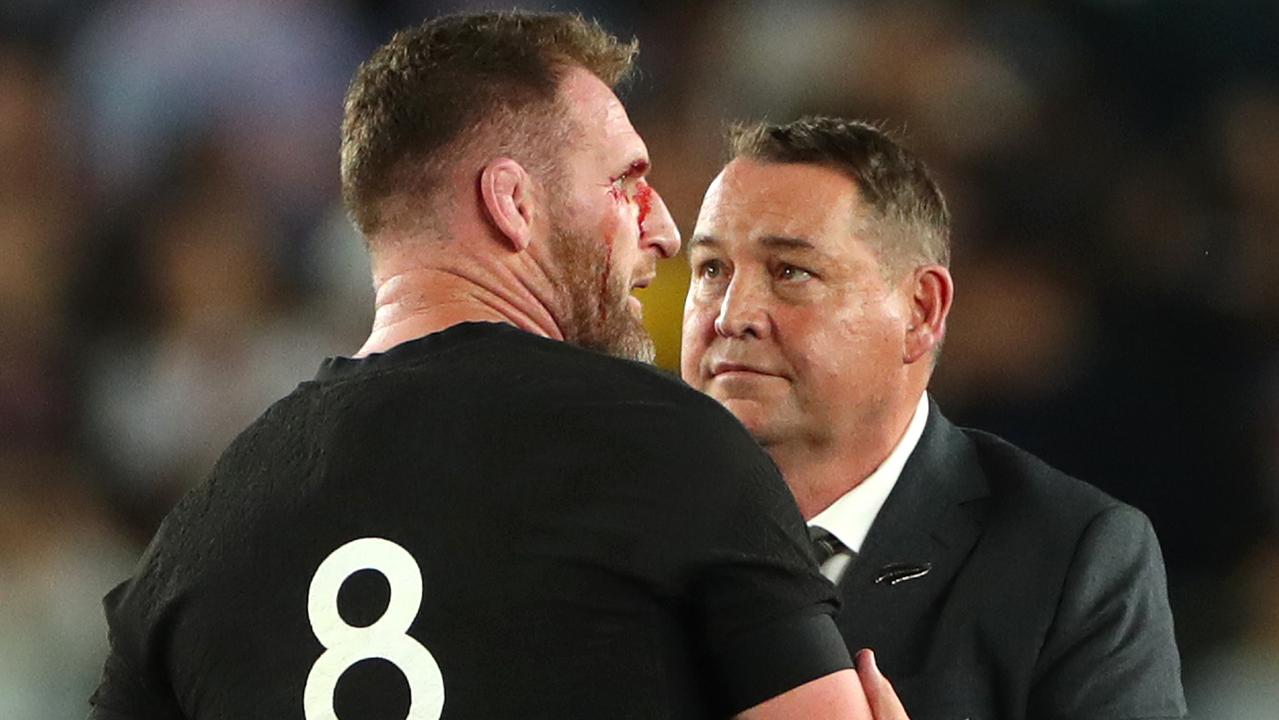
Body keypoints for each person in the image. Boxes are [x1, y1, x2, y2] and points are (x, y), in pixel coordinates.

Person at [87, 15, 885, 720]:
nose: (666, 231)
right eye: (625, 185)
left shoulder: (199, 536)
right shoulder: (672, 447)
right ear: (512, 202)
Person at [680, 116, 1189, 720]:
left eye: (790, 272)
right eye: (712, 270)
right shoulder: (621, 517)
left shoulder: (1070, 559)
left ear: (921, 311)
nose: (732, 315)